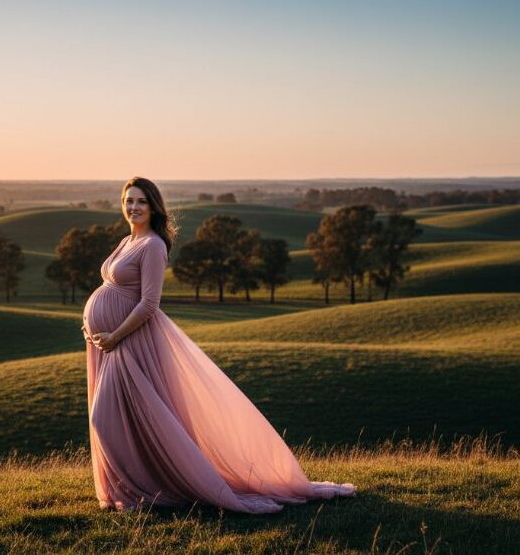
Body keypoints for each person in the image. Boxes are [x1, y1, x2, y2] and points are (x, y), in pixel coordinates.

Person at [81, 177, 356, 513]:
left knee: (104, 418)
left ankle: (141, 490)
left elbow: (150, 303)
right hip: (108, 343)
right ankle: (131, 491)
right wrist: (93, 323)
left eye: (141, 202)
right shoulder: (127, 240)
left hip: (131, 343)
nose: (133, 207)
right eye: (128, 201)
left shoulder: (152, 245)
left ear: (153, 207)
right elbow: (113, 288)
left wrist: (115, 334)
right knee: (126, 420)